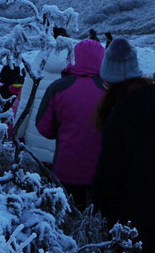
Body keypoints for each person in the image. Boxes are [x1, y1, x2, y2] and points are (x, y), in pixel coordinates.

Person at [90, 39, 155, 253]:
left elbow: (107, 175)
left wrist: (94, 204)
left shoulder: (118, 118)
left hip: (125, 224)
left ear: (114, 83)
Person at [35, 39, 107, 208]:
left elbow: (43, 127)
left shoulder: (58, 87)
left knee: (68, 218)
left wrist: (65, 131)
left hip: (65, 170)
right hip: (101, 171)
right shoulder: (109, 91)